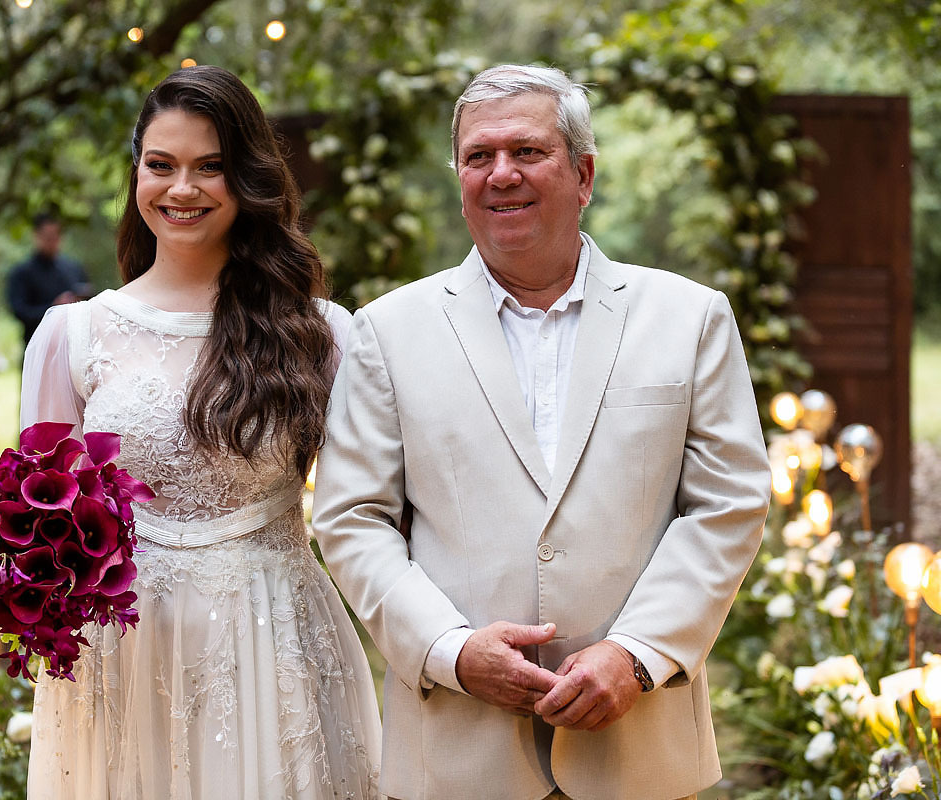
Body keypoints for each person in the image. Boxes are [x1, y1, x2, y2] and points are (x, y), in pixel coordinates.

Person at [312, 64, 771, 800]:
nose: (501, 175)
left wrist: (637, 653)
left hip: (638, 747)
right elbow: (351, 518)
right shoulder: (387, 332)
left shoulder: (691, 318)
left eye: (527, 152)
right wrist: (450, 650)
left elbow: (728, 506)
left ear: (583, 174)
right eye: (478, 157)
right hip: (458, 754)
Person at [21, 65, 381, 799]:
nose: (181, 189)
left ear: (246, 179)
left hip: (273, 634)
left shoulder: (321, 334)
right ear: (136, 174)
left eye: (209, 168)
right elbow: (42, 523)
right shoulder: (72, 334)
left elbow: (365, 518)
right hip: (123, 647)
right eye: (161, 165)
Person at [6, 212, 91, 346]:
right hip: (38, 345)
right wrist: (53, 308)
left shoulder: (73, 268)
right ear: (36, 236)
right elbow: (19, 311)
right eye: (48, 237)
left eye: (56, 236)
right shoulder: (22, 273)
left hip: (73, 346)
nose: (52, 242)